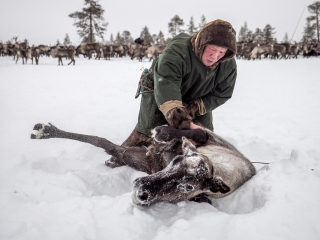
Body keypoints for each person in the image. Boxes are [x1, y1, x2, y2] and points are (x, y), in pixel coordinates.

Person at [106, 19, 237, 167]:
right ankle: (119, 156)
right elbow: (167, 83)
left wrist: (196, 107)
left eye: (221, 52)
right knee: (148, 130)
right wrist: (183, 123)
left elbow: (223, 92)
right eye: (212, 49)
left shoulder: (228, 65)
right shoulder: (178, 51)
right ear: (202, 43)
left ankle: (195, 164)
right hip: (160, 87)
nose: (215, 56)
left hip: (196, 97)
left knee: (204, 136)